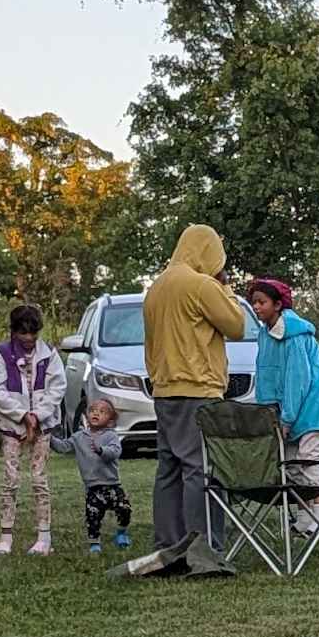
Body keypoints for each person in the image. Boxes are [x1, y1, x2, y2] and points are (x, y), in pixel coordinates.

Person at [125, 223, 247, 579]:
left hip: (164, 390)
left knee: (169, 468)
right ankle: (203, 548)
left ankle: (167, 545)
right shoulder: (202, 285)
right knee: (200, 469)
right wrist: (225, 287)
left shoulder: (157, 288)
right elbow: (237, 325)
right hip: (199, 389)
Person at [243, 276, 319, 517]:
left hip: (313, 403)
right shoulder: (265, 333)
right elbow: (265, 376)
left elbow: (297, 380)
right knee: (290, 463)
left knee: (309, 458)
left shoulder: (295, 336)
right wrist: (269, 414)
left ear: (278, 305)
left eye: (261, 302)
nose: (256, 307)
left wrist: (287, 419)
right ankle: (304, 518)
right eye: (254, 302)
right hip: (287, 408)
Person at [0, 301, 66, 556]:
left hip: (42, 425)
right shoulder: (0, 354)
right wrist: (21, 415)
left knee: (39, 479)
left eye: (33, 332)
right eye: (23, 332)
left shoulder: (49, 354)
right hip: (11, 426)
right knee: (11, 479)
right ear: (14, 331)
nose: (29, 338)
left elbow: (57, 388)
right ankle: (5, 537)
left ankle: (44, 537)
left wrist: (37, 416)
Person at [69, 389, 134, 553]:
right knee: (93, 515)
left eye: (102, 412)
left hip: (112, 484)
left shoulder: (111, 436)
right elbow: (64, 446)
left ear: (111, 421)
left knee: (124, 508)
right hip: (92, 486)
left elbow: (115, 452)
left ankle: (121, 532)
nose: (96, 414)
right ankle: (94, 543)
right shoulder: (79, 437)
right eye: (92, 411)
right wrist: (48, 439)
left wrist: (101, 450)